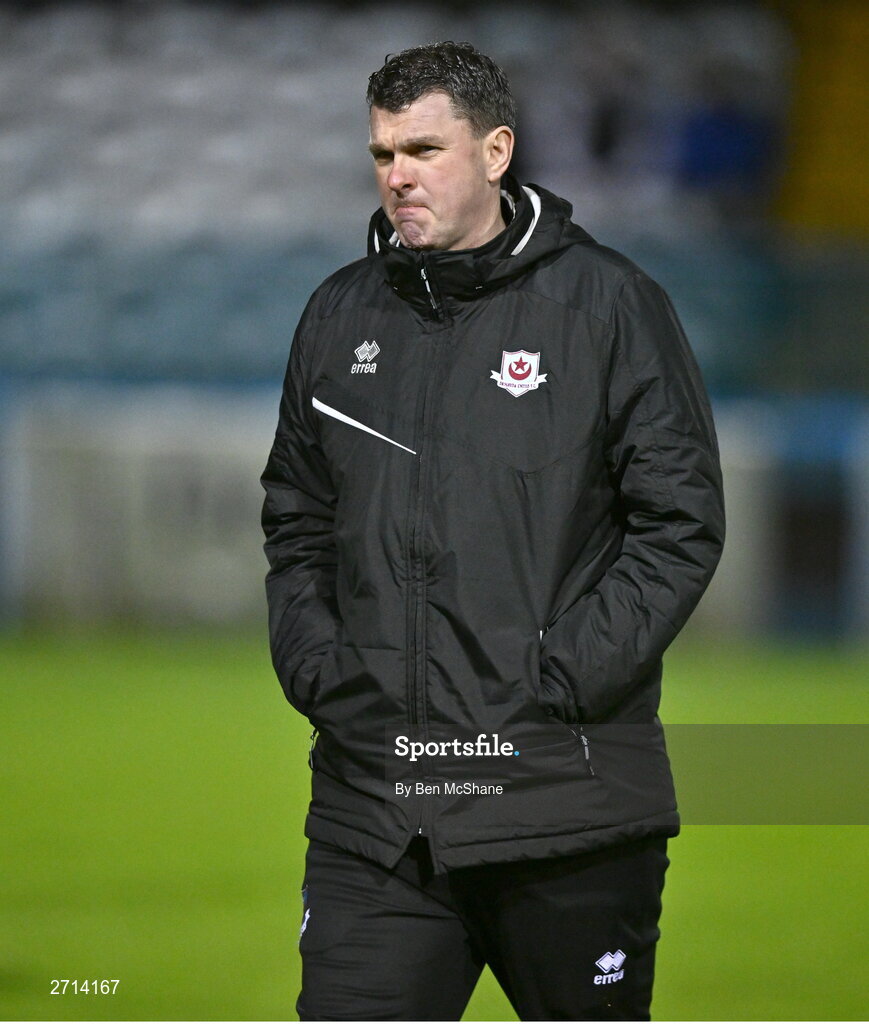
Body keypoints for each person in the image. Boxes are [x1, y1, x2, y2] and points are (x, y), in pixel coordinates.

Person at [261, 41, 725, 1022]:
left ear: (496, 149)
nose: (398, 177)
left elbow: (678, 521)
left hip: (563, 810)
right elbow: (295, 516)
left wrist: (556, 685)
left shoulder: (609, 306)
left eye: (423, 149)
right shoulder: (337, 314)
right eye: (383, 154)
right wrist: (318, 668)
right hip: (373, 818)